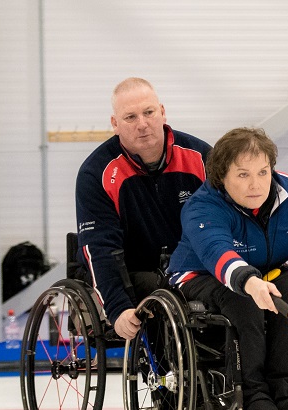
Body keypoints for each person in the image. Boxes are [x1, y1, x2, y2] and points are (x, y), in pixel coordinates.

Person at [168, 127, 288, 410]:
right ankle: (253, 392)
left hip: (267, 272)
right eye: (243, 175)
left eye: (263, 172)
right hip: (201, 275)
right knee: (242, 298)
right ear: (222, 176)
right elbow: (218, 251)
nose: (256, 185)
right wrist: (250, 282)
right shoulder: (202, 206)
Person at [76, 77, 212, 339]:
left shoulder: (201, 157)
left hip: (194, 268)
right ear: (115, 124)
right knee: (160, 290)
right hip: (134, 274)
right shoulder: (96, 173)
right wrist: (118, 310)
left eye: (148, 112)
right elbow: (100, 249)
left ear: (162, 112)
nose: (142, 124)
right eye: (130, 117)